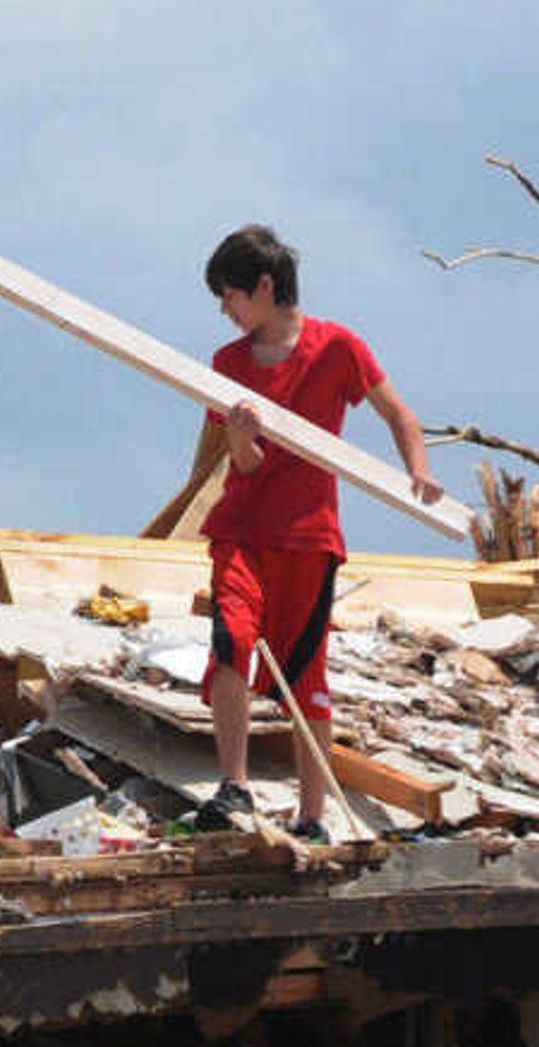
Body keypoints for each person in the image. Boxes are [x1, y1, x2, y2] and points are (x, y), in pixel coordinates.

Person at [178, 224, 440, 841]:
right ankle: (234, 786)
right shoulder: (228, 365)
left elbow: (399, 414)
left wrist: (419, 472)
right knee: (231, 646)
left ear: (265, 287)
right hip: (241, 532)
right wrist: (241, 436)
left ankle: (312, 817)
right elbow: (245, 467)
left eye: (230, 296)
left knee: (305, 676)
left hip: (309, 539)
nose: (224, 311)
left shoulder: (337, 347)